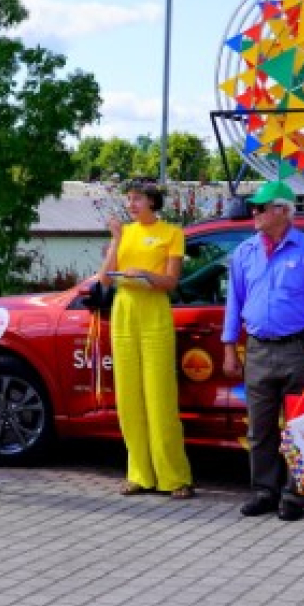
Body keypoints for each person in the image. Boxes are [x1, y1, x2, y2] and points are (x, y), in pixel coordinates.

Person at [222, 180, 304, 521]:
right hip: (258, 350)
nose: (254, 213)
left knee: (299, 427)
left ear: (283, 210)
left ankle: (294, 495)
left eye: (261, 207)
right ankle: (264, 491)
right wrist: (230, 348)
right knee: (259, 429)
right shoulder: (244, 252)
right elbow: (234, 303)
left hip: (300, 349)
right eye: (254, 207)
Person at [99, 182, 193, 499]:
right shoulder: (125, 232)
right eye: (129, 199)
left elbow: (170, 281)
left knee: (159, 397)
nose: (131, 204)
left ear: (152, 201)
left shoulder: (171, 233)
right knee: (128, 398)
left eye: (137, 198)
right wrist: (115, 241)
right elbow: (104, 278)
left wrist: (146, 275)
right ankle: (139, 474)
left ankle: (174, 477)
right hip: (124, 311)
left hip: (154, 312)